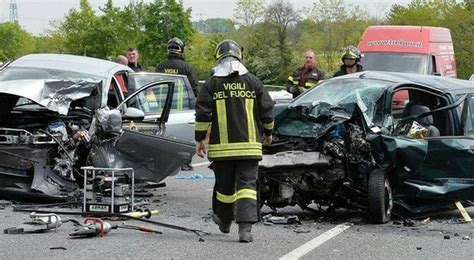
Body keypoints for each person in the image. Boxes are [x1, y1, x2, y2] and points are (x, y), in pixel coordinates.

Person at [195, 39, 274, 243]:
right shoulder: (253, 81)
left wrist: (199, 140)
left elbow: (203, 114)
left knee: (225, 188)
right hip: (249, 147)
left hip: (223, 150)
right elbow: (267, 110)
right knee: (247, 186)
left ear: (218, 57)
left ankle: (224, 220)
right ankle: (245, 230)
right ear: (240, 55)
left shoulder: (212, 83)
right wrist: (268, 132)